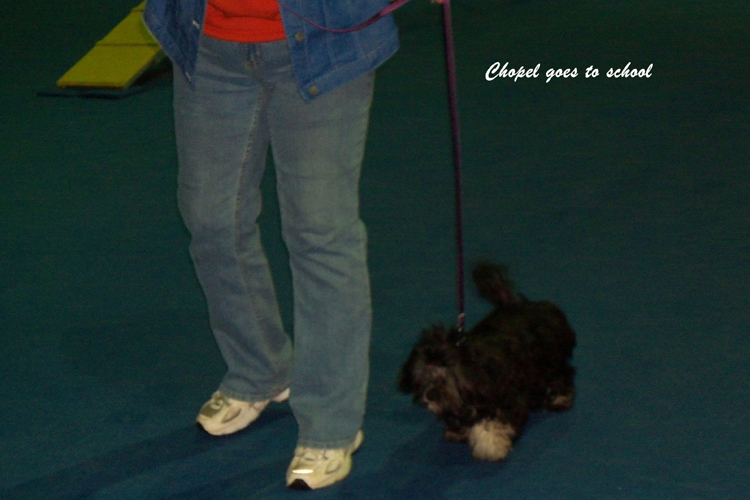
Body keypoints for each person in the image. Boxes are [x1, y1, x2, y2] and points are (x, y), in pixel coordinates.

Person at [143, 0, 399, 491]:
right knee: (211, 220)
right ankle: (259, 370)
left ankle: (331, 422)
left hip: (323, 40)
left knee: (320, 232)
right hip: (209, 40)